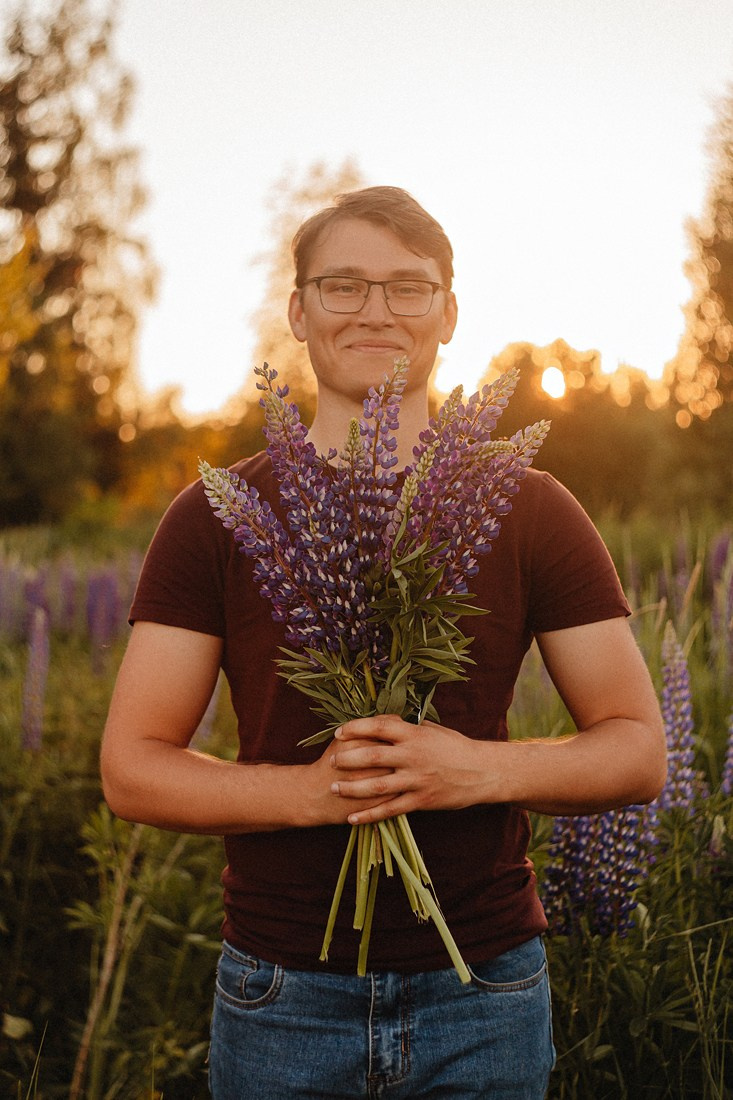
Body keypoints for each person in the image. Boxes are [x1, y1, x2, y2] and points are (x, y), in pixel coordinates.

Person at [101, 186, 667, 1099]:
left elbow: (638, 750)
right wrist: (313, 794)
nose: (376, 311)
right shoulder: (217, 516)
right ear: (297, 310)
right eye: (343, 286)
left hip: (482, 986)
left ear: (447, 313)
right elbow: (132, 767)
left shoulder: (527, 504)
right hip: (282, 988)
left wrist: (472, 771)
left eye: (408, 288)